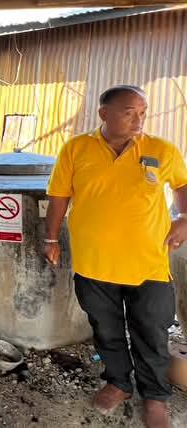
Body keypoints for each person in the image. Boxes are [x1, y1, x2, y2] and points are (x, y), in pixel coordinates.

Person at [45, 85, 187, 428]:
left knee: (151, 331)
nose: (139, 119)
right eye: (129, 112)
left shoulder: (161, 149)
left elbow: (182, 185)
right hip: (94, 263)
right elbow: (59, 196)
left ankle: (154, 396)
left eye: (142, 112)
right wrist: (50, 238)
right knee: (105, 329)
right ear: (104, 113)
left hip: (148, 264)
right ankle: (119, 383)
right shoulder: (76, 148)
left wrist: (184, 217)